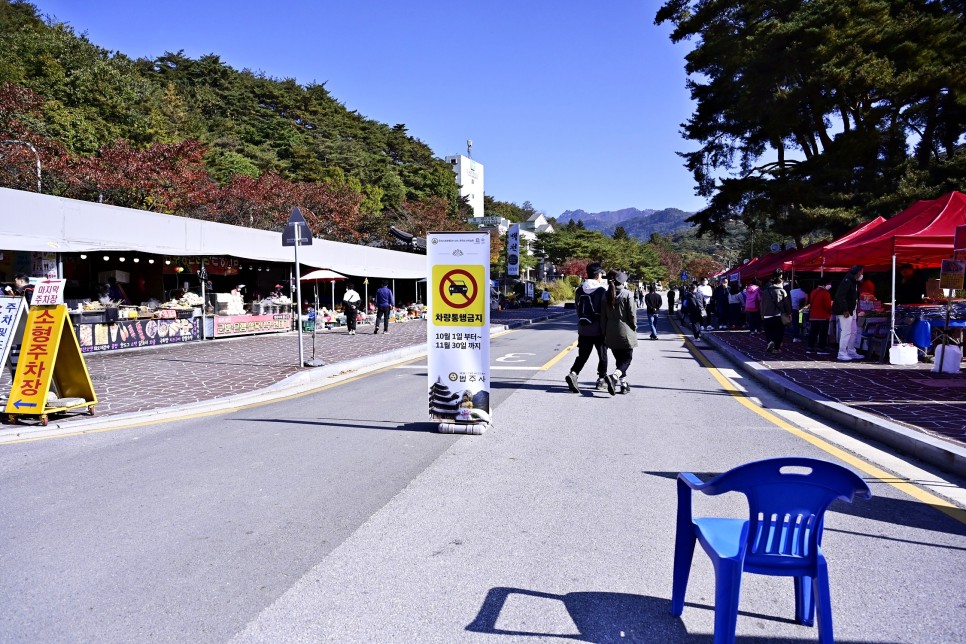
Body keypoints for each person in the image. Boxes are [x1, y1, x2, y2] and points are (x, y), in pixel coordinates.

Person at [565, 262, 609, 394]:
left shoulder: (579, 290)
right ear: (597, 275)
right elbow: (605, 311)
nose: (601, 276)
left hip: (583, 328)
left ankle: (573, 373)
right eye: (601, 273)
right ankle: (601, 379)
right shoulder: (601, 291)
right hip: (598, 329)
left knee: (582, 355)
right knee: (602, 355)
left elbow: (578, 309)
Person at [600, 270, 637, 394]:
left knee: (619, 360)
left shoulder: (605, 295)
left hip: (610, 331)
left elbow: (603, 317)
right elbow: (632, 315)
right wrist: (634, 327)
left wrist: (604, 332)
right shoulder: (627, 294)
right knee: (627, 359)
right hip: (624, 329)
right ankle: (614, 377)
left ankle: (623, 384)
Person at [832, 265, 865, 361]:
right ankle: (842, 353)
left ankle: (851, 350)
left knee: (853, 332)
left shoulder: (853, 282)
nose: (862, 274)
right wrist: (845, 310)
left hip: (852, 310)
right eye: (862, 272)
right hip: (845, 311)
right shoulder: (847, 281)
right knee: (846, 332)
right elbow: (840, 296)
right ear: (858, 272)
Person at [760, 269, 792, 354]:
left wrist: (762, 314)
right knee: (778, 332)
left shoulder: (765, 291)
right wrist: (789, 313)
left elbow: (761, 303)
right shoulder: (782, 291)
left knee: (769, 332)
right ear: (780, 283)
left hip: (767, 315)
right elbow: (786, 303)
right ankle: (776, 348)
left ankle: (770, 342)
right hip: (778, 315)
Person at [806, 281, 833, 355]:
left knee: (813, 332)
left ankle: (810, 347)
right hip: (823, 316)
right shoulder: (825, 293)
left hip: (813, 316)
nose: (830, 285)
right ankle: (821, 348)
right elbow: (828, 306)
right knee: (823, 333)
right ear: (825, 284)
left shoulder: (813, 292)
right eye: (829, 284)